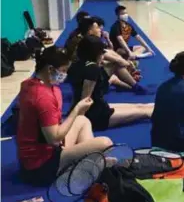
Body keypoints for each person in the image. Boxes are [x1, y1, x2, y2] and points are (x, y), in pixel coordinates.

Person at [17, 46, 113, 186]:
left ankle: (89, 163)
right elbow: (54, 139)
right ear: (50, 69)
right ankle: (90, 165)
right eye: (62, 71)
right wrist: (77, 109)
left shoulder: (29, 84)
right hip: (41, 166)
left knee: (82, 120)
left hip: (41, 152)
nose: (65, 75)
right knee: (105, 143)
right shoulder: (42, 97)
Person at [68, 36, 154, 131]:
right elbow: (85, 100)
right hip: (97, 117)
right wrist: (78, 123)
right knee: (144, 112)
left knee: (141, 106)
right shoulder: (92, 70)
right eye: (101, 53)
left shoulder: (77, 64)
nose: (103, 57)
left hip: (98, 106)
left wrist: (72, 112)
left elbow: (78, 96)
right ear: (95, 54)